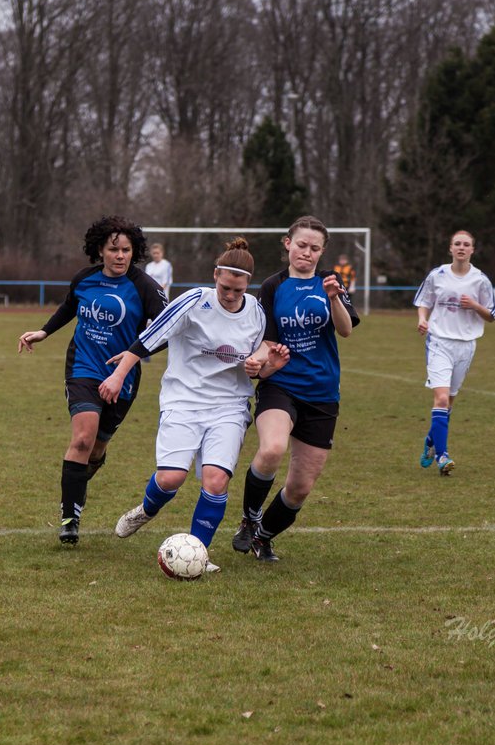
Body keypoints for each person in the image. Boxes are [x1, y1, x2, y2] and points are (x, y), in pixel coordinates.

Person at [100, 238, 290, 572]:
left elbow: (262, 361)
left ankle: (196, 553)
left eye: (237, 289)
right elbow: (149, 338)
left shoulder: (257, 314)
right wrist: (118, 375)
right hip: (183, 400)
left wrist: (263, 364)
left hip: (229, 406)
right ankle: (146, 509)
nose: (230, 295)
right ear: (215, 274)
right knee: (171, 478)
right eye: (225, 286)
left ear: (248, 285)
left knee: (216, 480)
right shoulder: (193, 301)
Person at [18, 215, 167, 545]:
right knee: (82, 439)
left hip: (123, 377)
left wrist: (130, 355)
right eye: (113, 249)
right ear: (99, 250)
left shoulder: (145, 287)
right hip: (83, 367)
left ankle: (80, 478)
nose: (120, 256)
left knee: (96, 448)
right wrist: (44, 331)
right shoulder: (84, 279)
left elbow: (166, 331)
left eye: (126, 250)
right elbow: (68, 308)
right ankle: (70, 518)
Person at [230, 215, 360, 562]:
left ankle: (264, 536)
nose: (307, 252)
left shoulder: (329, 284)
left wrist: (333, 299)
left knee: (300, 488)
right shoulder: (273, 286)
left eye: (314, 248)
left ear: (322, 252)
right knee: (272, 449)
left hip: (322, 394)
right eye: (301, 245)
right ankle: (249, 518)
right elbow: (268, 339)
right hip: (282, 385)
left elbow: (346, 330)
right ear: (288, 244)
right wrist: (258, 361)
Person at [413, 229, 495, 476]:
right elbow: (423, 301)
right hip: (439, 341)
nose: (461, 247)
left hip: (466, 345)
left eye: (466, 244)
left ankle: (431, 440)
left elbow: (492, 315)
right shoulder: (437, 275)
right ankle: (442, 455)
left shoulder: (480, 280)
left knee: (448, 403)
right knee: (439, 400)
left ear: (472, 250)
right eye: (457, 244)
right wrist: (422, 319)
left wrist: (474, 305)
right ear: (450, 248)